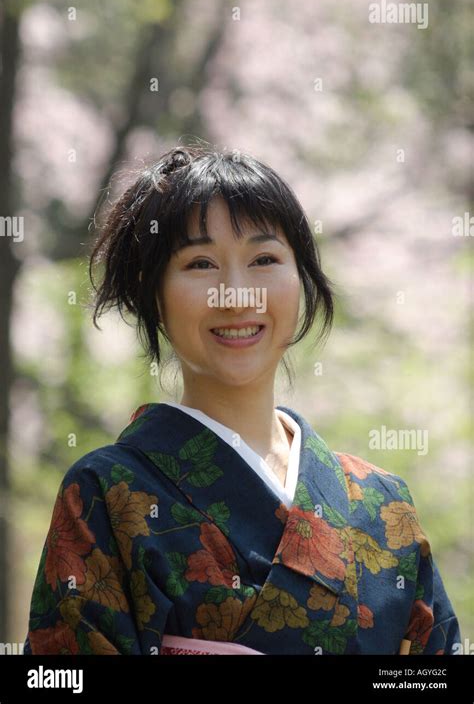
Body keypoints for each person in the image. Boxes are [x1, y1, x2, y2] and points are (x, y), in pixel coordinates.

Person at [23, 146, 461, 655]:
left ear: (302, 281)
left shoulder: (385, 505)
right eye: (201, 263)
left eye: (264, 260)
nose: (236, 294)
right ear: (154, 294)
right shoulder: (106, 495)